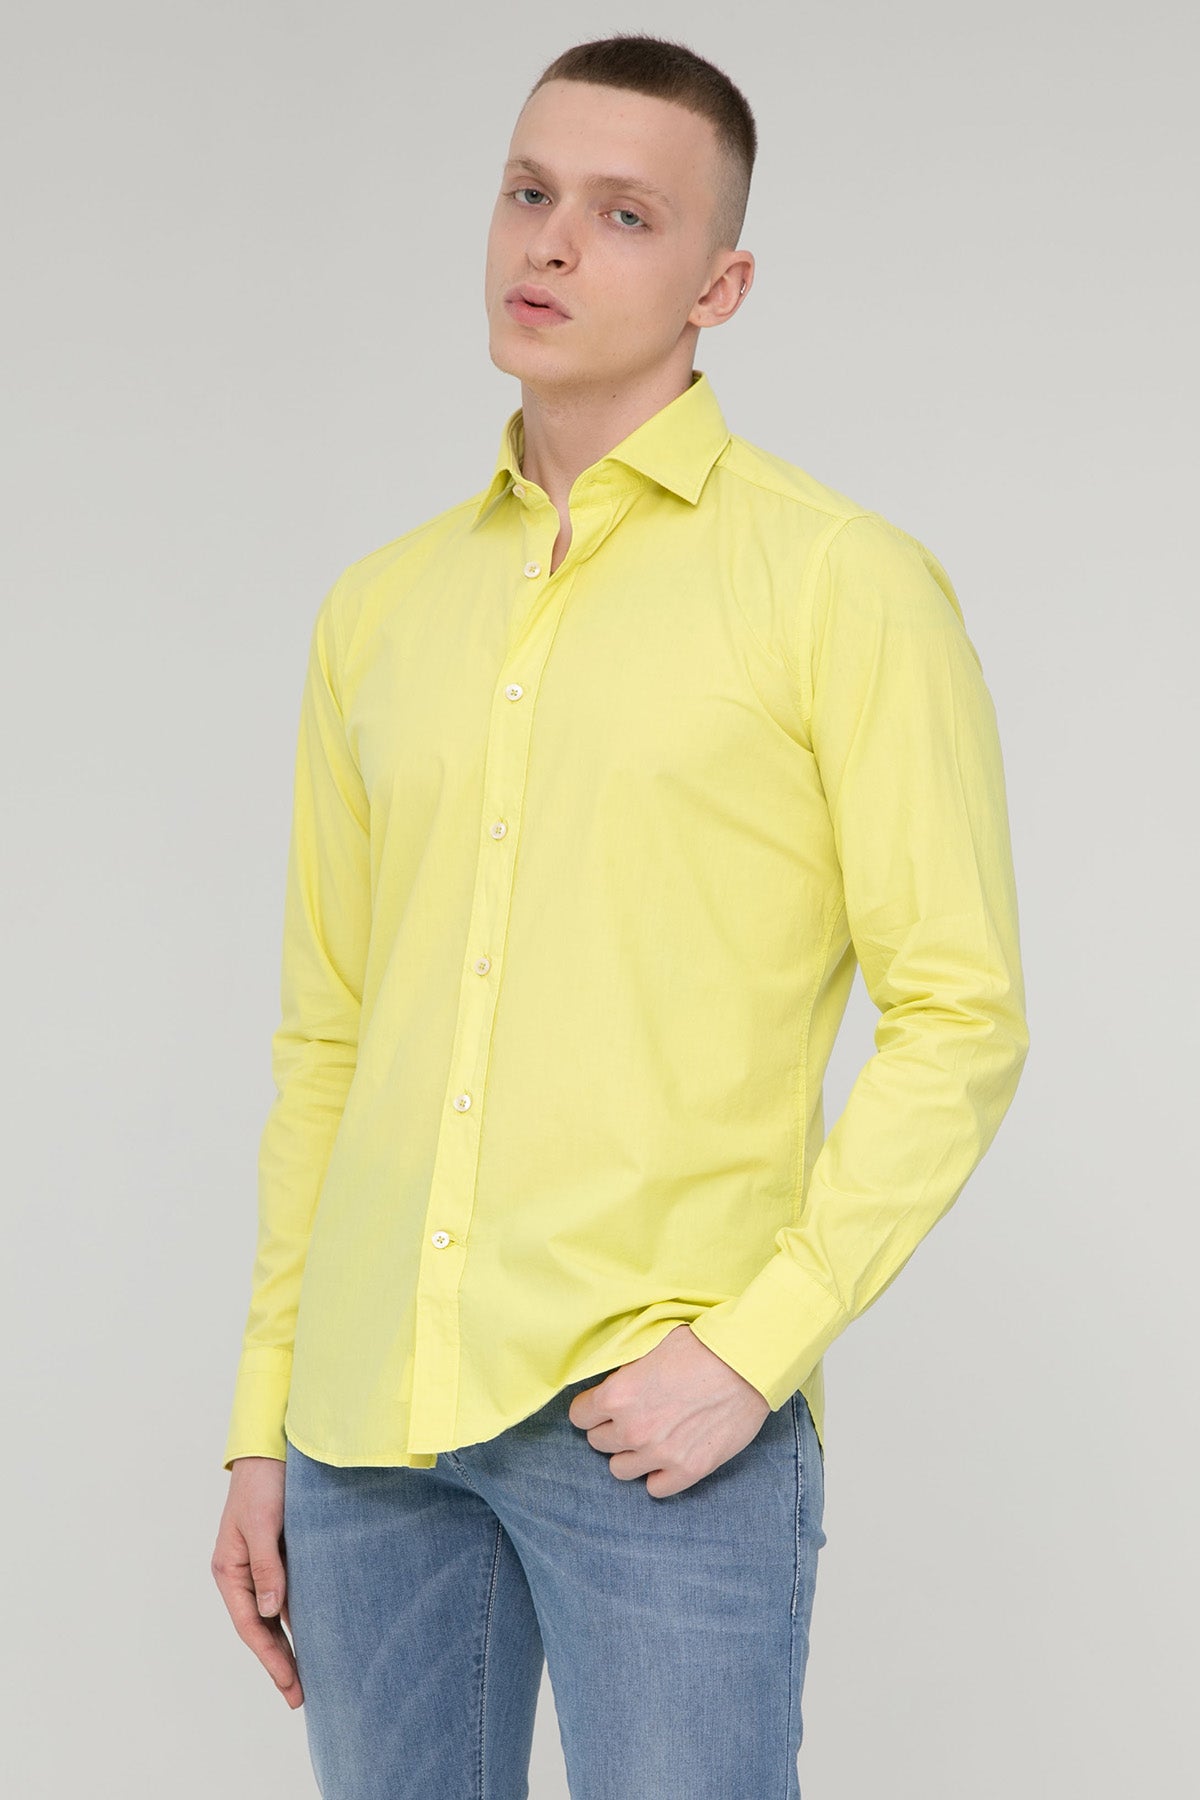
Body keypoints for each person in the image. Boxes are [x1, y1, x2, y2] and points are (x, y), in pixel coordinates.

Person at [211, 32, 1029, 1799]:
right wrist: (262, 1418)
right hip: (365, 1425)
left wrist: (754, 1348)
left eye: (626, 212)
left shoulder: (842, 585)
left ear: (721, 285)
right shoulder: (378, 611)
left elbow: (961, 1014)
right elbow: (327, 1038)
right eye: (528, 191)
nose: (553, 240)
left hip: (654, 1426)